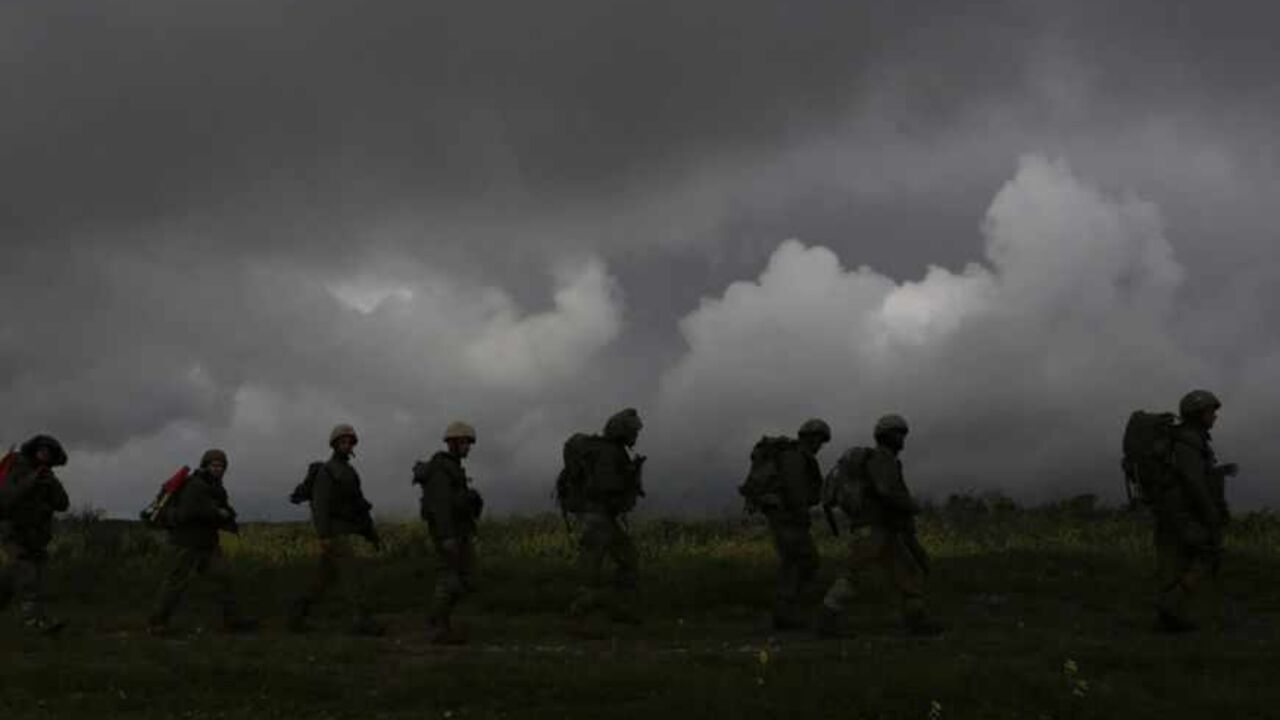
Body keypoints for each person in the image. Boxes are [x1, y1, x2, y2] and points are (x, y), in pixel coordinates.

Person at [818, 415, 943, 636]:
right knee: (853, 574)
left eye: (902, 434)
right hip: (872, 527)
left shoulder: (885, 460)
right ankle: (826, 621)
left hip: (884, 528)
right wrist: (913, 506)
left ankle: (916, 620)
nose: (902, 438)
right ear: (886, 435)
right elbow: (886, 491)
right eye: (898, 433)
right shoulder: (882, 459)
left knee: (907, 571)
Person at [147, 449, 257, 635]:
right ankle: (157, 623)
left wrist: (225, 515)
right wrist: (217, 513)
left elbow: (223, 510)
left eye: (221, 466)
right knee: (176, 583)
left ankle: (232, 620)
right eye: (214, 465)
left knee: (223, 579)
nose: (218, 469)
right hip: (186, 543)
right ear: (205, 465)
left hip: (207, 544)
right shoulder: (196, 485)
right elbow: (190, 512)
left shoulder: (216, 487)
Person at [1154, 390, 1238, 633]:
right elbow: (1193, 482)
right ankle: (1170, 607)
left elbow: (1197, 475)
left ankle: (1172, 615)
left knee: (1183, 559)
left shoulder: (1190, 439)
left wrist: (1220, 471)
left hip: (1176, 511)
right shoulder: (1189, 441)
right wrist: (1211, 513)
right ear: (1197, 414)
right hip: (1183, 512)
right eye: (1211, 411)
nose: (1215, 416)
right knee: (1207, 552)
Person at [288, 424, 384, 635]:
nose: (346, 445)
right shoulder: (327, 471)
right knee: (352, 575)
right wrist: (324, 535)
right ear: (334, 445)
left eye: (349, 442)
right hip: (333, 533)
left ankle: (297, 614)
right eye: (342, 442)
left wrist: (370, 533)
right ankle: (362, 621)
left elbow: (358, 505)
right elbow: (320, 504)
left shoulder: (349, 472)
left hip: (342, 531)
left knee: (322, 580)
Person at [567, 408, 646, 624]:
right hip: (597, 517)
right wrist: (628, 478)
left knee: (625, 558)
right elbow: (605, 488)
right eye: (633, 431)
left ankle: (618, 608)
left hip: (601, 517)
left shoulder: (613, 451)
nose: (636, 435)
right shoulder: (609, 453)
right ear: (623, 431)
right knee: (594, 568)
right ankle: (583, 614)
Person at [413, 421, 483, 644]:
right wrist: (446, 537)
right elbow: (441, 506)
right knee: (449, 580)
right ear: (452, 444)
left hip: (460, 531)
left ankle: (438, 620)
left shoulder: (453, 467)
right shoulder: (442, 469)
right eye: (463, 442)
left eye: (468, 443)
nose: (467, 447)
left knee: (467, 580)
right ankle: (438, 625)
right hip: (449, 534)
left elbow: (455, 503)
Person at [0, 435, 71, 634]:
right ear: (34, 450)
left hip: (37, 536)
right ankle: (34, 621)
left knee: (11, 580)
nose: (45, 454)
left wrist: (50, 483)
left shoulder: (48, 475)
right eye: (42, 450)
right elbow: (6, 500)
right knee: (28, 576)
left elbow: (63, 504)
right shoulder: (19, 468)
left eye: (49, 452)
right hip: (13, 532)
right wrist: (32, 481)